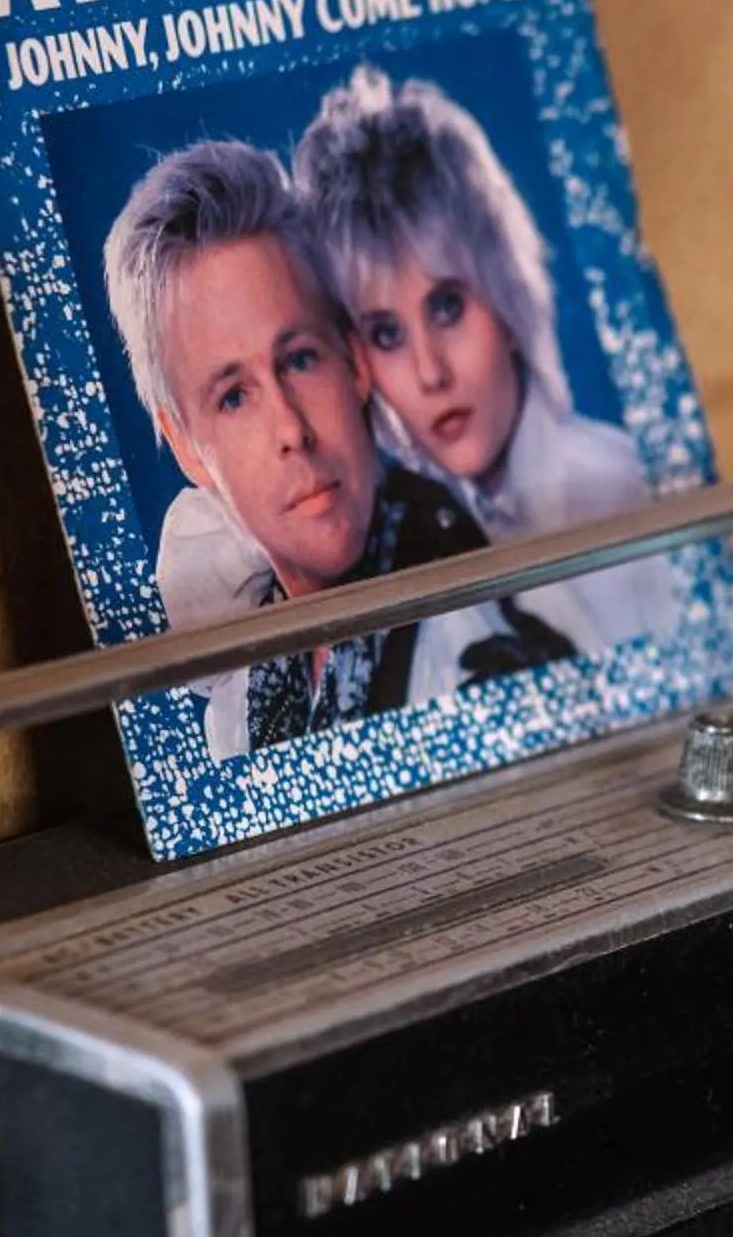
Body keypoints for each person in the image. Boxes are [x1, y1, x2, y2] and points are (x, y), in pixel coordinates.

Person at [103, 138, 561, 757]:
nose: (292, 429)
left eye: (299, 360)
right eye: (235, 396)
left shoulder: (477, 649)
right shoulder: (242, 701)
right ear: (185, 447)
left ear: (355, 363)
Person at [293, 65, 676, 653]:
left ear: (505, 295)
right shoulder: (387, 554)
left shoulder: (620, 490)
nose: (430, 372)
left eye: (447, 307)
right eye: (388, 333)